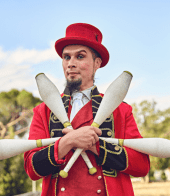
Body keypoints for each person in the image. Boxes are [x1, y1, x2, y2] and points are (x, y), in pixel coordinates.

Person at [24, 23, 150, 196]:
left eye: (80, 56)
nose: (71, 64)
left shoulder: (121, 110)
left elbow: (142, 166)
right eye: (66, 57)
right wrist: (68, 142)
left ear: (97, 63)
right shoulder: (42, 111)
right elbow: (32, 169)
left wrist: (96, 145)